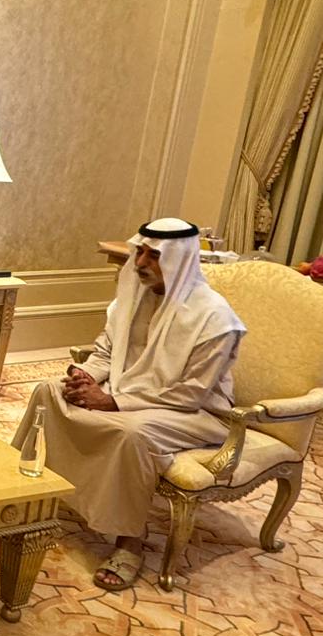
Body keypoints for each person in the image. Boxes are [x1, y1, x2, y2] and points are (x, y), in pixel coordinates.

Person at [12, 218, 246, 591]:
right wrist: (84, 377)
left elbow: (191, 394)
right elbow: (106, 352)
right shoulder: (134, 296)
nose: (140, 264)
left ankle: (129, 543)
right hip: (127, 392)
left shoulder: (214, 319)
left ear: (179, 259)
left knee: (131, 433)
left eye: (154, 256)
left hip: (196, 412)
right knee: (48, 392)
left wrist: (111, 402)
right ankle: (27, 491)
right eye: (140, 253)